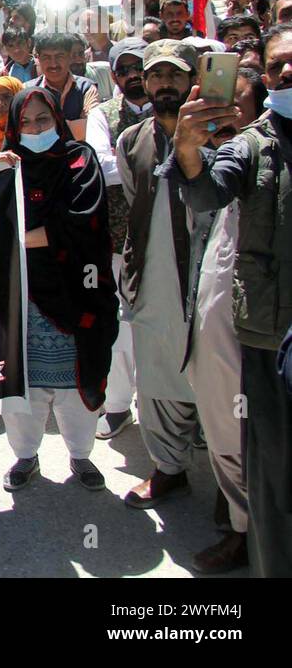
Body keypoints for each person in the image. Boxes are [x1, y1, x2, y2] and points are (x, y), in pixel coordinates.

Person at [163, 22, 292, 576]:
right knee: (276, 483)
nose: (287, 71)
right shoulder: (255, 146)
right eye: (277, 64)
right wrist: (189, 152)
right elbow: (207, 187)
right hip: (269, 342)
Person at [0, 87, 118, 493]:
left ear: (57, 120)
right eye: (25, 122)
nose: (34, 129)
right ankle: (25, 456)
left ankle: (81, 456)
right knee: (25, 386)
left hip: (75, 292)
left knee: (72, 382)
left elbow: (82, 222)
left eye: (43, 120)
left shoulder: (80, 159)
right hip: (23, 297)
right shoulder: (6, 166)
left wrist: (24, 239)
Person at [179, 68, 264, 574]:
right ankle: (241, 527)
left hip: (266, 330)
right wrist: (189, 147)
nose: (224, 118)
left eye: (237, 108)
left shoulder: (269, 154)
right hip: (212, 330)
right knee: (226, 431)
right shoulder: (207, 162)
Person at [116, 41, 205, 511]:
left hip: (208, 276)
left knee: (216, 375)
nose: (164, 85)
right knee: (156, 375)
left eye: (175, 75)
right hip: (153, 274)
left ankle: (234, 488)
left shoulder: (222, 132)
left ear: (193, 80)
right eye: (156, 76)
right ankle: (169, 469)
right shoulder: (132, 141)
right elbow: (136, 206)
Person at [83, 38, 153, 441]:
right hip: (117, 239)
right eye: (124, 69)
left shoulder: (172, 108)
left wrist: (125, 161)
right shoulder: (104, 114)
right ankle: (119, 406)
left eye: (140, 67)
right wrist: (159, 161)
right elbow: (101, 166)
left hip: (167, 237)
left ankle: (175, 408)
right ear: (114, 75)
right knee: (121, 329)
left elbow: (116, 165)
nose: (133, 75)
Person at [26, 33, 100, 141]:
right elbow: (26, 130)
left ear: (70, 57)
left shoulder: (86, 88)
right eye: (46, 57)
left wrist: (45, 128)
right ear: (38, 59)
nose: (53, 64)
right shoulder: (27, 90)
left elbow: (92, 126)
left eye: (59, 56)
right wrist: (73, 126)